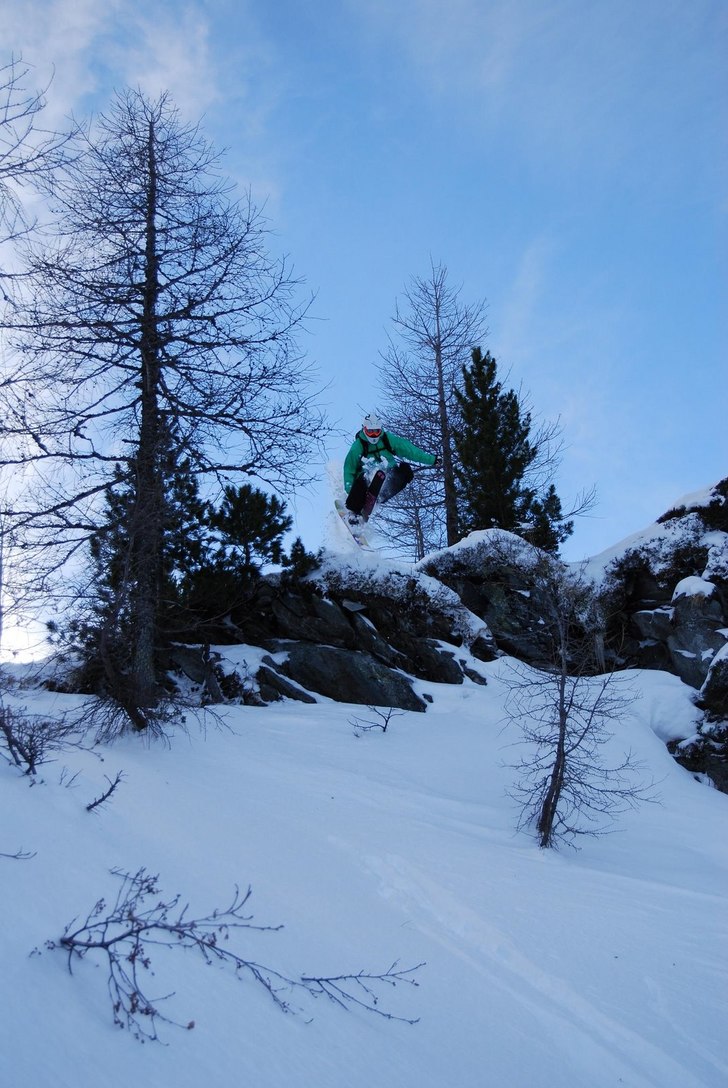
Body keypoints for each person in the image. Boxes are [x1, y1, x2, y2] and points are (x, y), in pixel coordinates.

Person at [343, 413, 437, 520]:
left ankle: (379, 496)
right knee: (365, 477)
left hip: (387, 475)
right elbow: (349, 469)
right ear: (364, 429)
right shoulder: (358, 446)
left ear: (380, 430)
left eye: (376, 431)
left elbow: (410, 450)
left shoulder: (387, 439)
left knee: (406, 471)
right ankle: (353, 512)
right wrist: (350, 491)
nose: (373, 435)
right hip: (366, 478)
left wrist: (432, 460)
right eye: (370, 431)